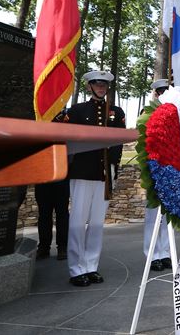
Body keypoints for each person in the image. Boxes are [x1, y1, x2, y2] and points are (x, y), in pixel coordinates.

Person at [65, 70, 126, 287]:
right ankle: (76, 268)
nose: (100, 88)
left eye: (103, 85)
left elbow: (119, 141)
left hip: (104, 174)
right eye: (96, 85)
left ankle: (91, 266)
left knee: (97, 223)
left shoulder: (116, 112)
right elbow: (67, 137)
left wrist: (114, 167)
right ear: (89, 87)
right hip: (82, 172)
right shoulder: (78, 110)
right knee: (78, 222)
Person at [143, 79, 172, 271]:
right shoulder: (147, 114)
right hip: (154, 168)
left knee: (167, 215)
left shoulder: (174, 114)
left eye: (166, 92)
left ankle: (166, 253)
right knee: (153, 216)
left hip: (170, 169)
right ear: (155, 94)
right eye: (160, 92)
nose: (162, 95)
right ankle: (152, 254)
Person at [34, 178, 70, 261]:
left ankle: (63, 246)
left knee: (62, 214)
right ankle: (44, 247)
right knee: (43, 215)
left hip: (61, 180)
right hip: (42, 180)